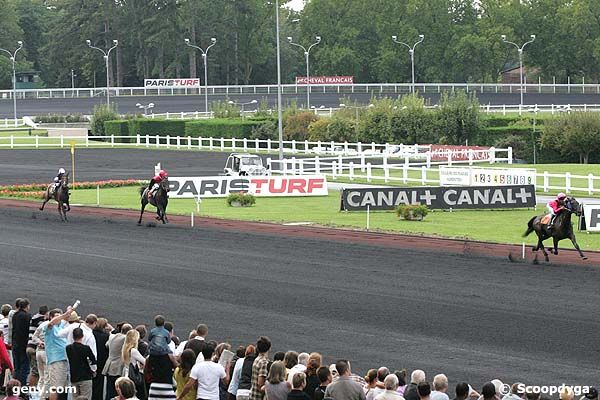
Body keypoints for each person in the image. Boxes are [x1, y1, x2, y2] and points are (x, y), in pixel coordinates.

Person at [44, 307, 74, 400]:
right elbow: (52, 322)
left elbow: (67, 318)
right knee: (55, 388)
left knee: (64, 388)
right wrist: (64, 315)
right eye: (57, 316)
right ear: (51, 317)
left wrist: (69, 311)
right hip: (56, 360)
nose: (59, 318)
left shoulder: (61, 326)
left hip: (64, 359)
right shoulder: (49, 327)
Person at [66, 327, 97, 400]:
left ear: (73, 337)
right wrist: (93, 370)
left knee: (75, 397)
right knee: (86, 397)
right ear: (82, 336)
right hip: (85, 376)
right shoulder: (86, 348)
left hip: (74, 377)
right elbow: (93, 361)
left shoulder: (68, 348)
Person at [11, 298, 31, 385]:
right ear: (27, 306)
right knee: (24, 368)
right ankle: (21, 388)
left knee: (17, 367)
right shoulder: (27, 316)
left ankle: (14, 386)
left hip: (15, 343)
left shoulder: (15, 315)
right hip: (23, 344)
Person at [92, 318, 112, 400]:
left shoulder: (91, 333)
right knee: (99, 384)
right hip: (102, 363)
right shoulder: (106, 336)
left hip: (92, 361)